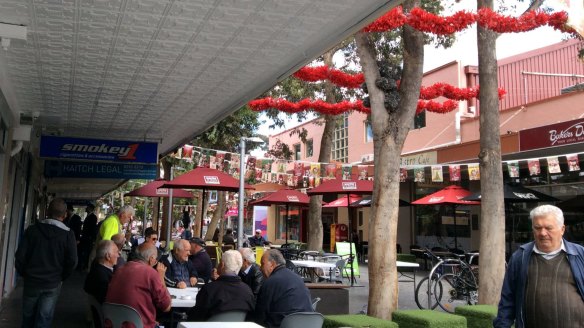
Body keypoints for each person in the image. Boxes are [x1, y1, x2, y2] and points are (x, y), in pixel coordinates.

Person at [494, 205, 584, 328]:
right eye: (537, 228)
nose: (542, 233)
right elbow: (507, 300)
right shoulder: (520, 257)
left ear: (562, 229)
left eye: (548, 228)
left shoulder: (580, 255)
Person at [15, 198, 77, 328]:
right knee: (44, 318)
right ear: (65, 215)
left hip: (32, 281)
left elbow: (20, 256)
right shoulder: (68, 235)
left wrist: (25, 274)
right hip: (52, 283)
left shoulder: (32, 230)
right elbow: (72, 261)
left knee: (27, 316)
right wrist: (61, 277)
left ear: (47, 212)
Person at [105, 243, 171, 328]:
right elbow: (166, 307)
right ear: (151, 259)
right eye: (155, 260)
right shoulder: (150, 273)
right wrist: (161, 277)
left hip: (114, 324)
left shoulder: (120, 269)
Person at [187, 250, 255, 321]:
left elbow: (195, 317)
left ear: (222, 265)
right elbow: (250, 317)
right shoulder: (247, 291)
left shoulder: (209, 290)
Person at [254, 249, 313, 327]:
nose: (260, 268)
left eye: (262, 264)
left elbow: (260, 315)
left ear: (272, 264)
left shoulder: (270, 282)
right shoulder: (298, 278)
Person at [79, 203, 98, 270]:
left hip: (88, 238)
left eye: (87, 207)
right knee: (84, 251)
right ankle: (83, 265)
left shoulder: (93, 217)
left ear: (90, 208)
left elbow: (92, 228)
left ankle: (85, 266)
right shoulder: (89, 216)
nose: (86, 208)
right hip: (85, 237)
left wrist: (91, 238)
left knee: (86, 252)